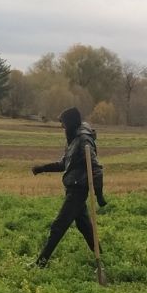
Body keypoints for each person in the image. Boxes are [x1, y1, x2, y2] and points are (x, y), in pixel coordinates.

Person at [30, 107, 104, 267]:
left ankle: (40, 263)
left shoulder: (83, 140)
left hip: (79, 188)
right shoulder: (73, 138)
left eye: (63, 123)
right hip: (73, 186)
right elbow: (64, 163)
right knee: (84, 225)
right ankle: (101, 257)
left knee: (58, 225)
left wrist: (99, 193)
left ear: (70, 123)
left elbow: (95, 167)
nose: (61, 127)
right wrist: (42, 168)